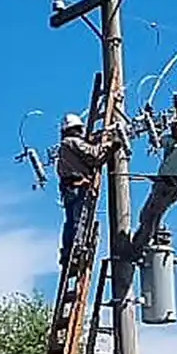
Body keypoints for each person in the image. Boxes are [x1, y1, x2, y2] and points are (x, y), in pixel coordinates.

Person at [130, 108, 177, 259]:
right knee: (146, 216)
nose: (173, 130)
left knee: (150, 216)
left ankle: (136, 249)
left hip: (170, 187)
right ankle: (142, 243)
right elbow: (156, 141)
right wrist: (150, 122)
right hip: (162, 185)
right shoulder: (171, 140)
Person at [56, 112, 112, 266]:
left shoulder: (65, 146)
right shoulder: (72, 142)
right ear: (75, 129)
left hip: (69, 189)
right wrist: (110, 145)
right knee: (79, 220)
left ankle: (68, 253)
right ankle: (77, 251)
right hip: (78, 188)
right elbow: (94, 156)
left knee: (71, 222)